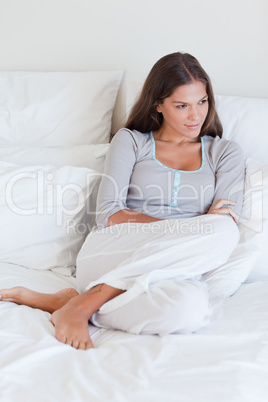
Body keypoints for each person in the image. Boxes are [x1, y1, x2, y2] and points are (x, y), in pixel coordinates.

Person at [0, 52, 245, 350]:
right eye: (182, 105)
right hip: (115, 249)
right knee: (216, 229)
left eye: (202, 102)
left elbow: (224, 221)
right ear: (159, 104)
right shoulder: (131, 141)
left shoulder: (225, 152)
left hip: (173, 268)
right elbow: (109, 213)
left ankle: (80, 300)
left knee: (191, 306)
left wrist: (195, 230)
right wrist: (187, 227)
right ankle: (82, 305)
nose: (196, 115)